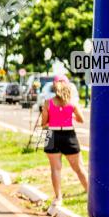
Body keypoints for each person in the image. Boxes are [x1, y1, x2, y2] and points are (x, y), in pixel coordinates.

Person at [41, 74, 88, 206]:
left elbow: (44, 123)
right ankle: (90, 193)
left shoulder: (48, 103)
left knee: (55, 169)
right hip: (69, 134)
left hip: (52, 134)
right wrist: (70, 116)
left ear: (54, 87)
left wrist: (53, 118)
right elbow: (81, 119)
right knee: (79, 168)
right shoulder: (72, 103)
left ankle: (58, 198)